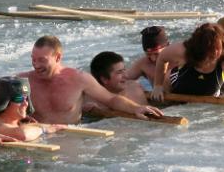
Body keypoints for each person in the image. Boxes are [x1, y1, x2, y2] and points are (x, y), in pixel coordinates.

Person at [17, 35, 163, 125]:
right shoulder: (22, 80)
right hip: (37, 136)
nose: (36, 65)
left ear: (58, 57)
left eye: (42, 60)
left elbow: (112, 100)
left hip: (69, 137)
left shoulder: (79, 79)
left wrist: (136, 108)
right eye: (33, 59)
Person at [151, 22, 224, 101]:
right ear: (200, 47)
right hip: (178, 87)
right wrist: (157, 86)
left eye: (218, 47)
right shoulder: (183, 51)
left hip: (210, 94)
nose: (216, 53)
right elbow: (162, 58)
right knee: (170, 76)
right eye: (211, 49)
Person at [0, 76, 65, 141]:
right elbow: (23, 135)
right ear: (5, 103)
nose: (25, 103)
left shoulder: (16, 124)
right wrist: (44, 130)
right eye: (19, 99)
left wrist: (54, 127)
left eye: (26, 98)